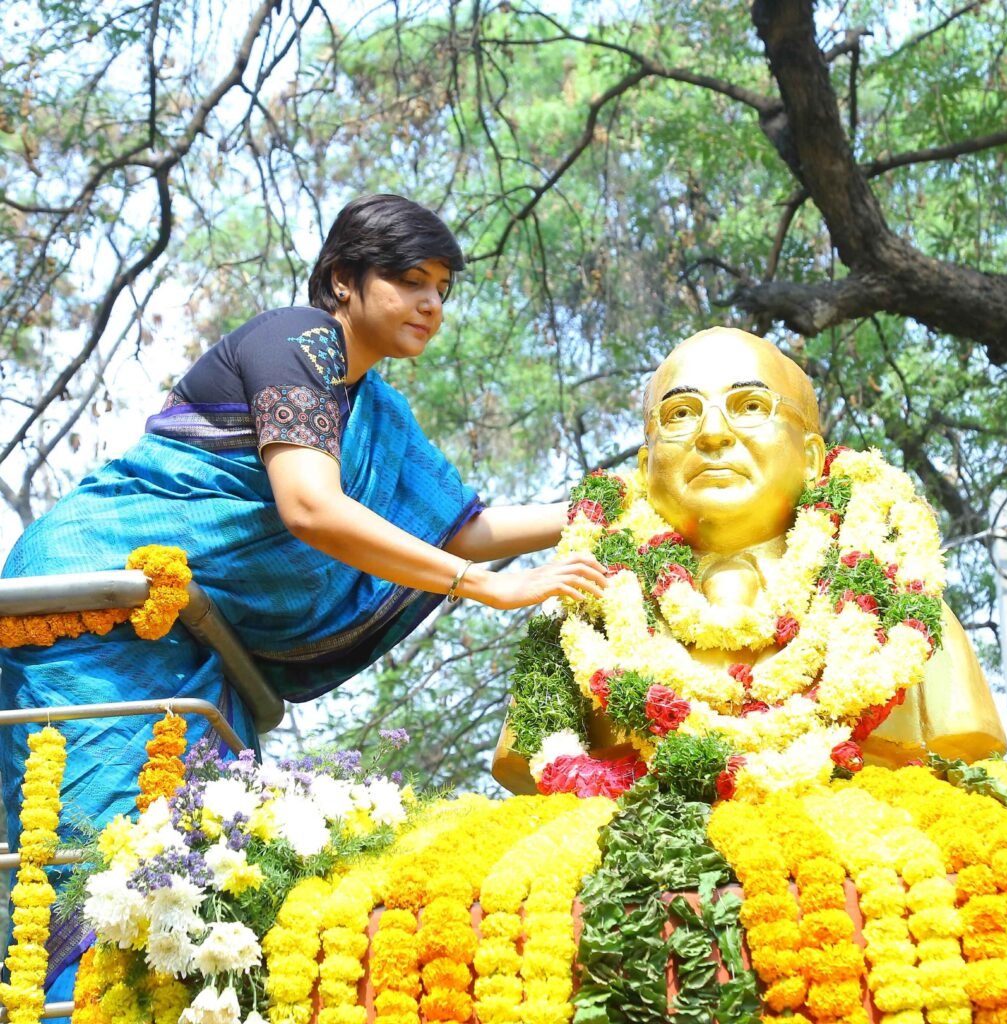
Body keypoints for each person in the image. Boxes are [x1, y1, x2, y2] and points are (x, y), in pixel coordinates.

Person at [0, 194, 605, 998]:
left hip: (193, 645)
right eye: (410, 280)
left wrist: (612, 508)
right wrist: (490, 588)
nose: (431, 303)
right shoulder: (297, 341)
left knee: (185, 886)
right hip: (96, 611)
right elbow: (311, 507)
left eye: (442, 289)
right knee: (100, 865)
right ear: (343, 280)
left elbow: (462, 528)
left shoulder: (375, 410)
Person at [492, 326, 1006, 791]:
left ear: (812, 458)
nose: (712, 433)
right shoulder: (583, 608)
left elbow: (965, 745)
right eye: (680, 414)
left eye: (750, 406)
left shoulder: (899, 608)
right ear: (646, 467)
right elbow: (528, 763)